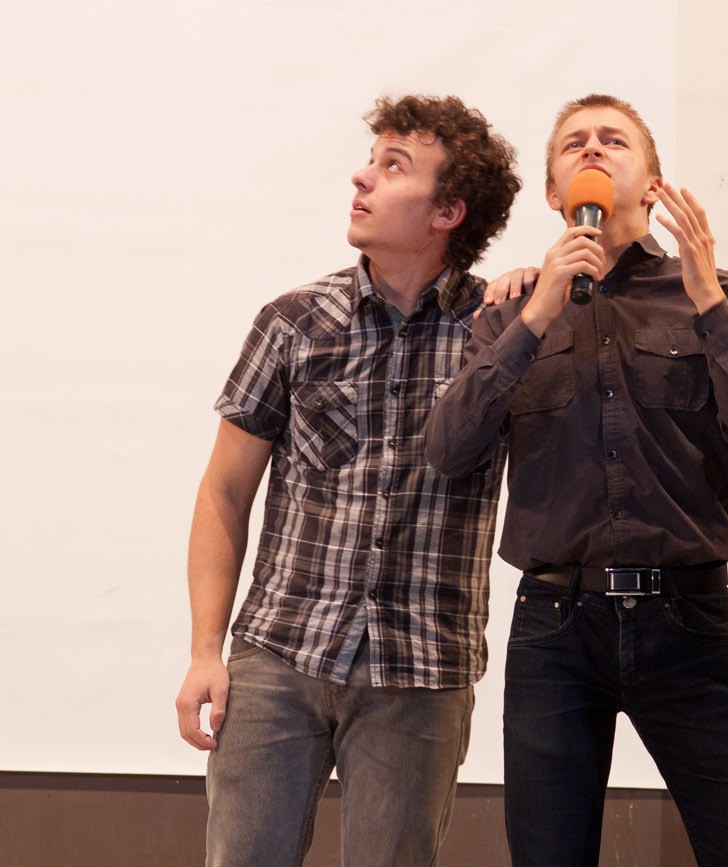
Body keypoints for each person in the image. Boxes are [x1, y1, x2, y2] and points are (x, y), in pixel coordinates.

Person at [425, 94, 728, 867]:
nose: (593, 149)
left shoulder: (722, 292)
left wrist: (708, 302)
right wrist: (536, 316)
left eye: (613, 140)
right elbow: (448, 449)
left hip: (688, 619)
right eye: (574, 143)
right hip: (556, 625)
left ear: (654, 183)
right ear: (553, 193)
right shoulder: (510, 313)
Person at [174, 94, 521, 866]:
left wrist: (537, 298)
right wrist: (205, 650)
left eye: (393, 166)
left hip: (422, 667)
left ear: (448, 211)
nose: (361, 178)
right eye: (371, 160)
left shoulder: (498, 332)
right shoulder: (294, 321)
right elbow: (224, 492)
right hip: (279, 653)